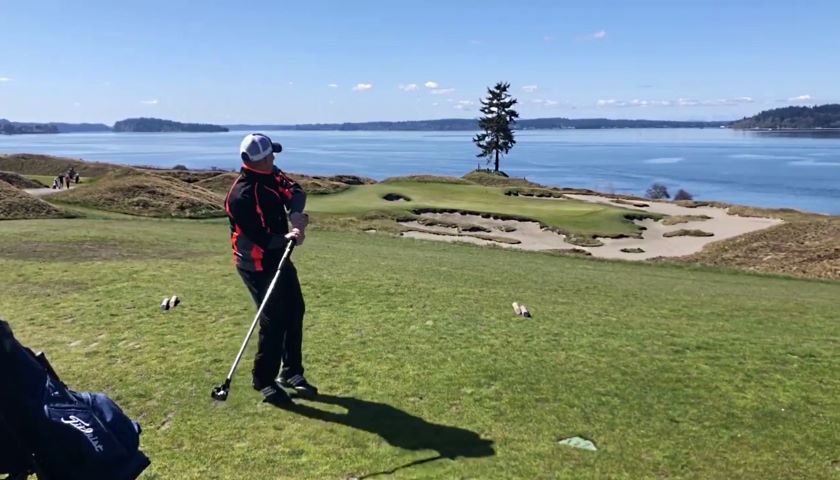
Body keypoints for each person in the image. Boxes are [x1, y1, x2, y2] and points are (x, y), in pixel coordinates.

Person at [224, 133, 315, 407]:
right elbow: (261, 237)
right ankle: (263, 381)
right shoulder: (241, 196)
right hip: (256, 263)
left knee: (295, 309)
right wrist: (290, 237)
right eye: (268, 156)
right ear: (254, 161)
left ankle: (291, 371)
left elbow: (296, 192)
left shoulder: (272, 175)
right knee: (273, 319)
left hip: (279, 256)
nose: (273, 158)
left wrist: (295, 215)